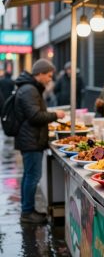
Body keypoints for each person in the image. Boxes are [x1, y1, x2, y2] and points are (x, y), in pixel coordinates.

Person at [15, 59, 66, 223]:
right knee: (32, 176)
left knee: (29, 175)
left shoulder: (29, 88)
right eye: (49, 75)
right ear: (41, 73)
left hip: (30, 138)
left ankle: (27, 210)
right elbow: (35, 116)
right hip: (31, 140)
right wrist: (55, 115)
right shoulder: (30, 90)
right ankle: (27, 213)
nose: (50, 79)